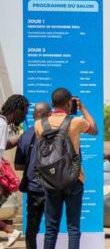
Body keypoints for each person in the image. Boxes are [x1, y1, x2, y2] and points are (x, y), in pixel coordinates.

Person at [35, 88, 98, 249]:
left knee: (51, 228)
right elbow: (94, 129)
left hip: (51, 180)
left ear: (52, 103)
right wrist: (82, 107)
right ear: (69, 103)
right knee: (73, 228)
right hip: (73, 179)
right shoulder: (75, 122)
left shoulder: (39, 125)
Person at [15, 102, 51, 249]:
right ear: (49, 115)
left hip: (33, 188)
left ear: (34, 115)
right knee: (51, 227)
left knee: (32, 227)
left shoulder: (26, 135)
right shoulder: (55, 133)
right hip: (52, 187)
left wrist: (31, 165)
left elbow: (17, 165)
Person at [0, 94, 30, 248]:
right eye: (24, 111)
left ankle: (10, 231)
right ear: (16, 110)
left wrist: (23, 136)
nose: (25, 115)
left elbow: (6, 144)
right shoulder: (2, 123)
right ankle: (10, 230)